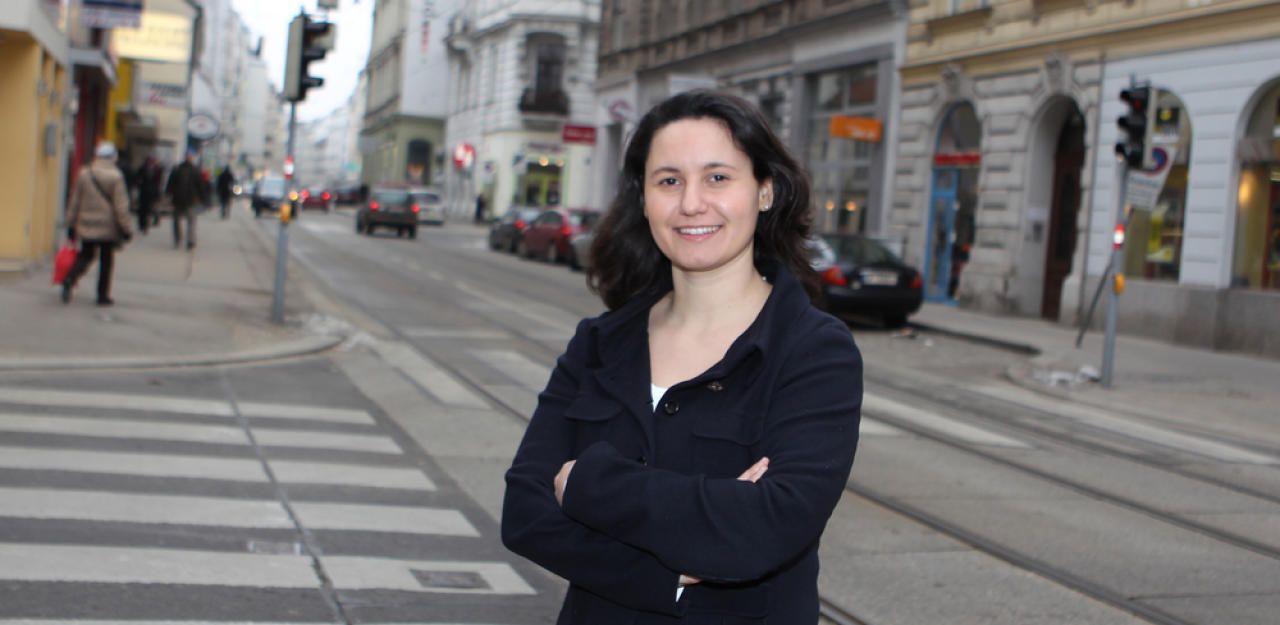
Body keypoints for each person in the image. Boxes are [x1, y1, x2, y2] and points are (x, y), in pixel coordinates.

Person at [501, 90, 863, 624]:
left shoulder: (813, 351)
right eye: (669, 181)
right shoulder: (601, 344)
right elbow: (525, 514)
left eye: (717, 177)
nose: (692, 203)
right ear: (643, 199)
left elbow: (766, 530)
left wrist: (588, 483)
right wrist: (669, 568)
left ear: (764, 191)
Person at [62, 142, 133, 306]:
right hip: (108, 227)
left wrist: (70, 223)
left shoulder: (85, 173)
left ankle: (70, 278)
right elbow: (121, 206)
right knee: (106, 261)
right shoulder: (116, 176)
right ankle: (102, 295)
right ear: (113, 157)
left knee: (86, 255)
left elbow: (75, 200)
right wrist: (126, 228)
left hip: (86, 223)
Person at [166, 149, 201, 249]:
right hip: (185, 199)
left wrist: (168, 193)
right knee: (188, 221)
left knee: (184, 221)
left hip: (183, 199)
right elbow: (171, 183)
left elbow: (199, 185)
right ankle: (186, 240)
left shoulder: (180, 169)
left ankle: (186, 240)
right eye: (188, 156)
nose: (189, 157)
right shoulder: (192, 169)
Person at [135, 156, 162, 233]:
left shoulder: (157, 169)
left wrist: (158, 193)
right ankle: (143, 224)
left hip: (152, 192)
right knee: (143, 210)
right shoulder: (142, 169)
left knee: (150, 209)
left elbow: (158, 182)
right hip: (144, 192)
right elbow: (137, 178)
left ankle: (147, 224)